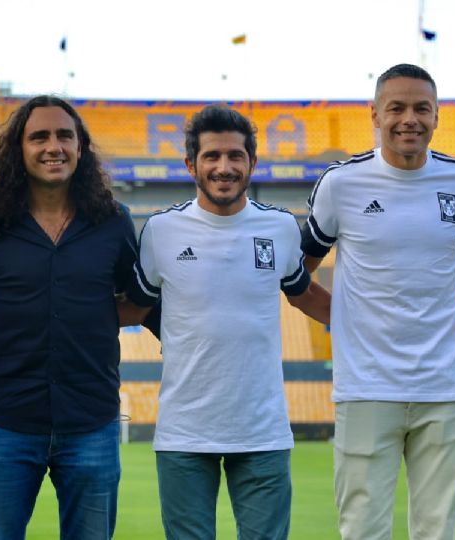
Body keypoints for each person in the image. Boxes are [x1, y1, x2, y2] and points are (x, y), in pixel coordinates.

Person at [125, 104, 330, 540]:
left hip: (263, 431)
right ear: (191, 165)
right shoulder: (161, 231)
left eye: (236, 156)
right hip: (184, 432)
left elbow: (304, 296)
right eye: (212, 156)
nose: (224, 167)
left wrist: (367, 323)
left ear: (252, 163)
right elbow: (135, 308)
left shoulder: (279, 227)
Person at [301, 63, 455, 540]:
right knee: (363, 529)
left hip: (444, 386)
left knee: (438, 530)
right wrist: (339, 317)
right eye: (396, 108)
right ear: (375, 115)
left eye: (422, 108)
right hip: (366, 386)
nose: (409, 119)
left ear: (437, 116)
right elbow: (299, 272)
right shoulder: (341, 183)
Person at [0, 96, 140, 539]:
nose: (52, 146)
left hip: (91, 422)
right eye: (39, 136)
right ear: (18, 149)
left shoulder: (114, 222)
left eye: (64, 136)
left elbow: (141, 299)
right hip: (6, 422)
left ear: (81, 147)